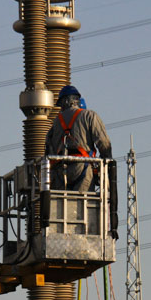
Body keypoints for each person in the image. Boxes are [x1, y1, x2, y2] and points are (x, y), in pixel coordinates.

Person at [45, 85, 118, 239]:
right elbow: (104, 145)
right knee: (82, 207)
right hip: (83, 169)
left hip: (59, 172)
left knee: (61, 209)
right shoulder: (89, 116)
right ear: (76, 100)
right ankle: (83, 237)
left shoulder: (56, 123)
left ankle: (61, 236)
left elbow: (48, 150)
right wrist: (107, 168)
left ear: (64, 102)